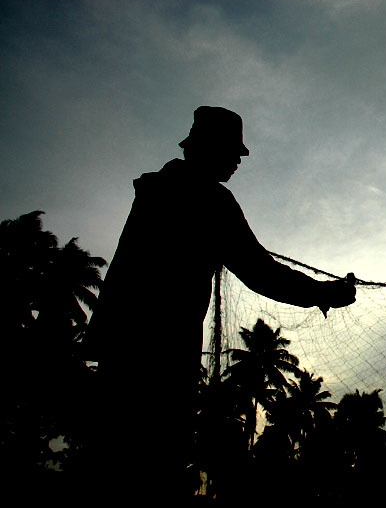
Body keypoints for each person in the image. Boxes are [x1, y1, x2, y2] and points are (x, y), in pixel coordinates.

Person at [84, 106, 356, 499]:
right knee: (151, 469)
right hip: (161, 358)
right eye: (234, 152)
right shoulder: (208, 199)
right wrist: (324, 293)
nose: (238, 162)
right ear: (212, 149)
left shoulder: (158, 189)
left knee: (108, 464)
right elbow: (261, 272)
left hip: (120, 351)